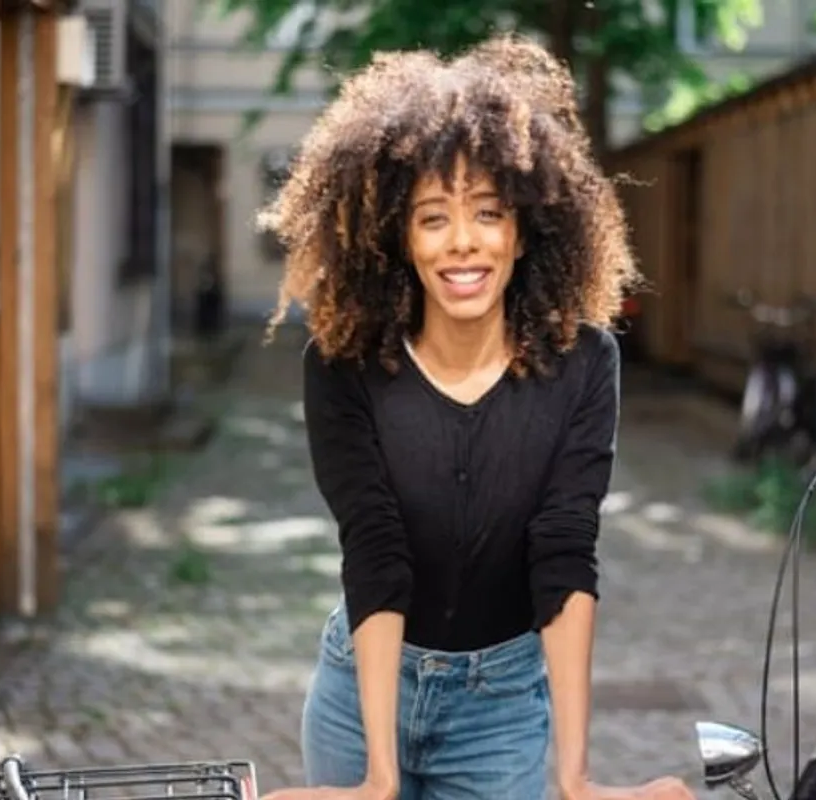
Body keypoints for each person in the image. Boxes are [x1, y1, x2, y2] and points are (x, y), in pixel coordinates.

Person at [256, 34, 698, 800]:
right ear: (399, 236)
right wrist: (377, 779)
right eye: (432, 217)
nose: (463, 241)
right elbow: (375, 550)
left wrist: (576, 777)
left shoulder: (586, 363)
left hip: (502, 714)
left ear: (523, 229)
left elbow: (563, 552)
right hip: (362, 699)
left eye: (488, 212)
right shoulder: (341, 365)